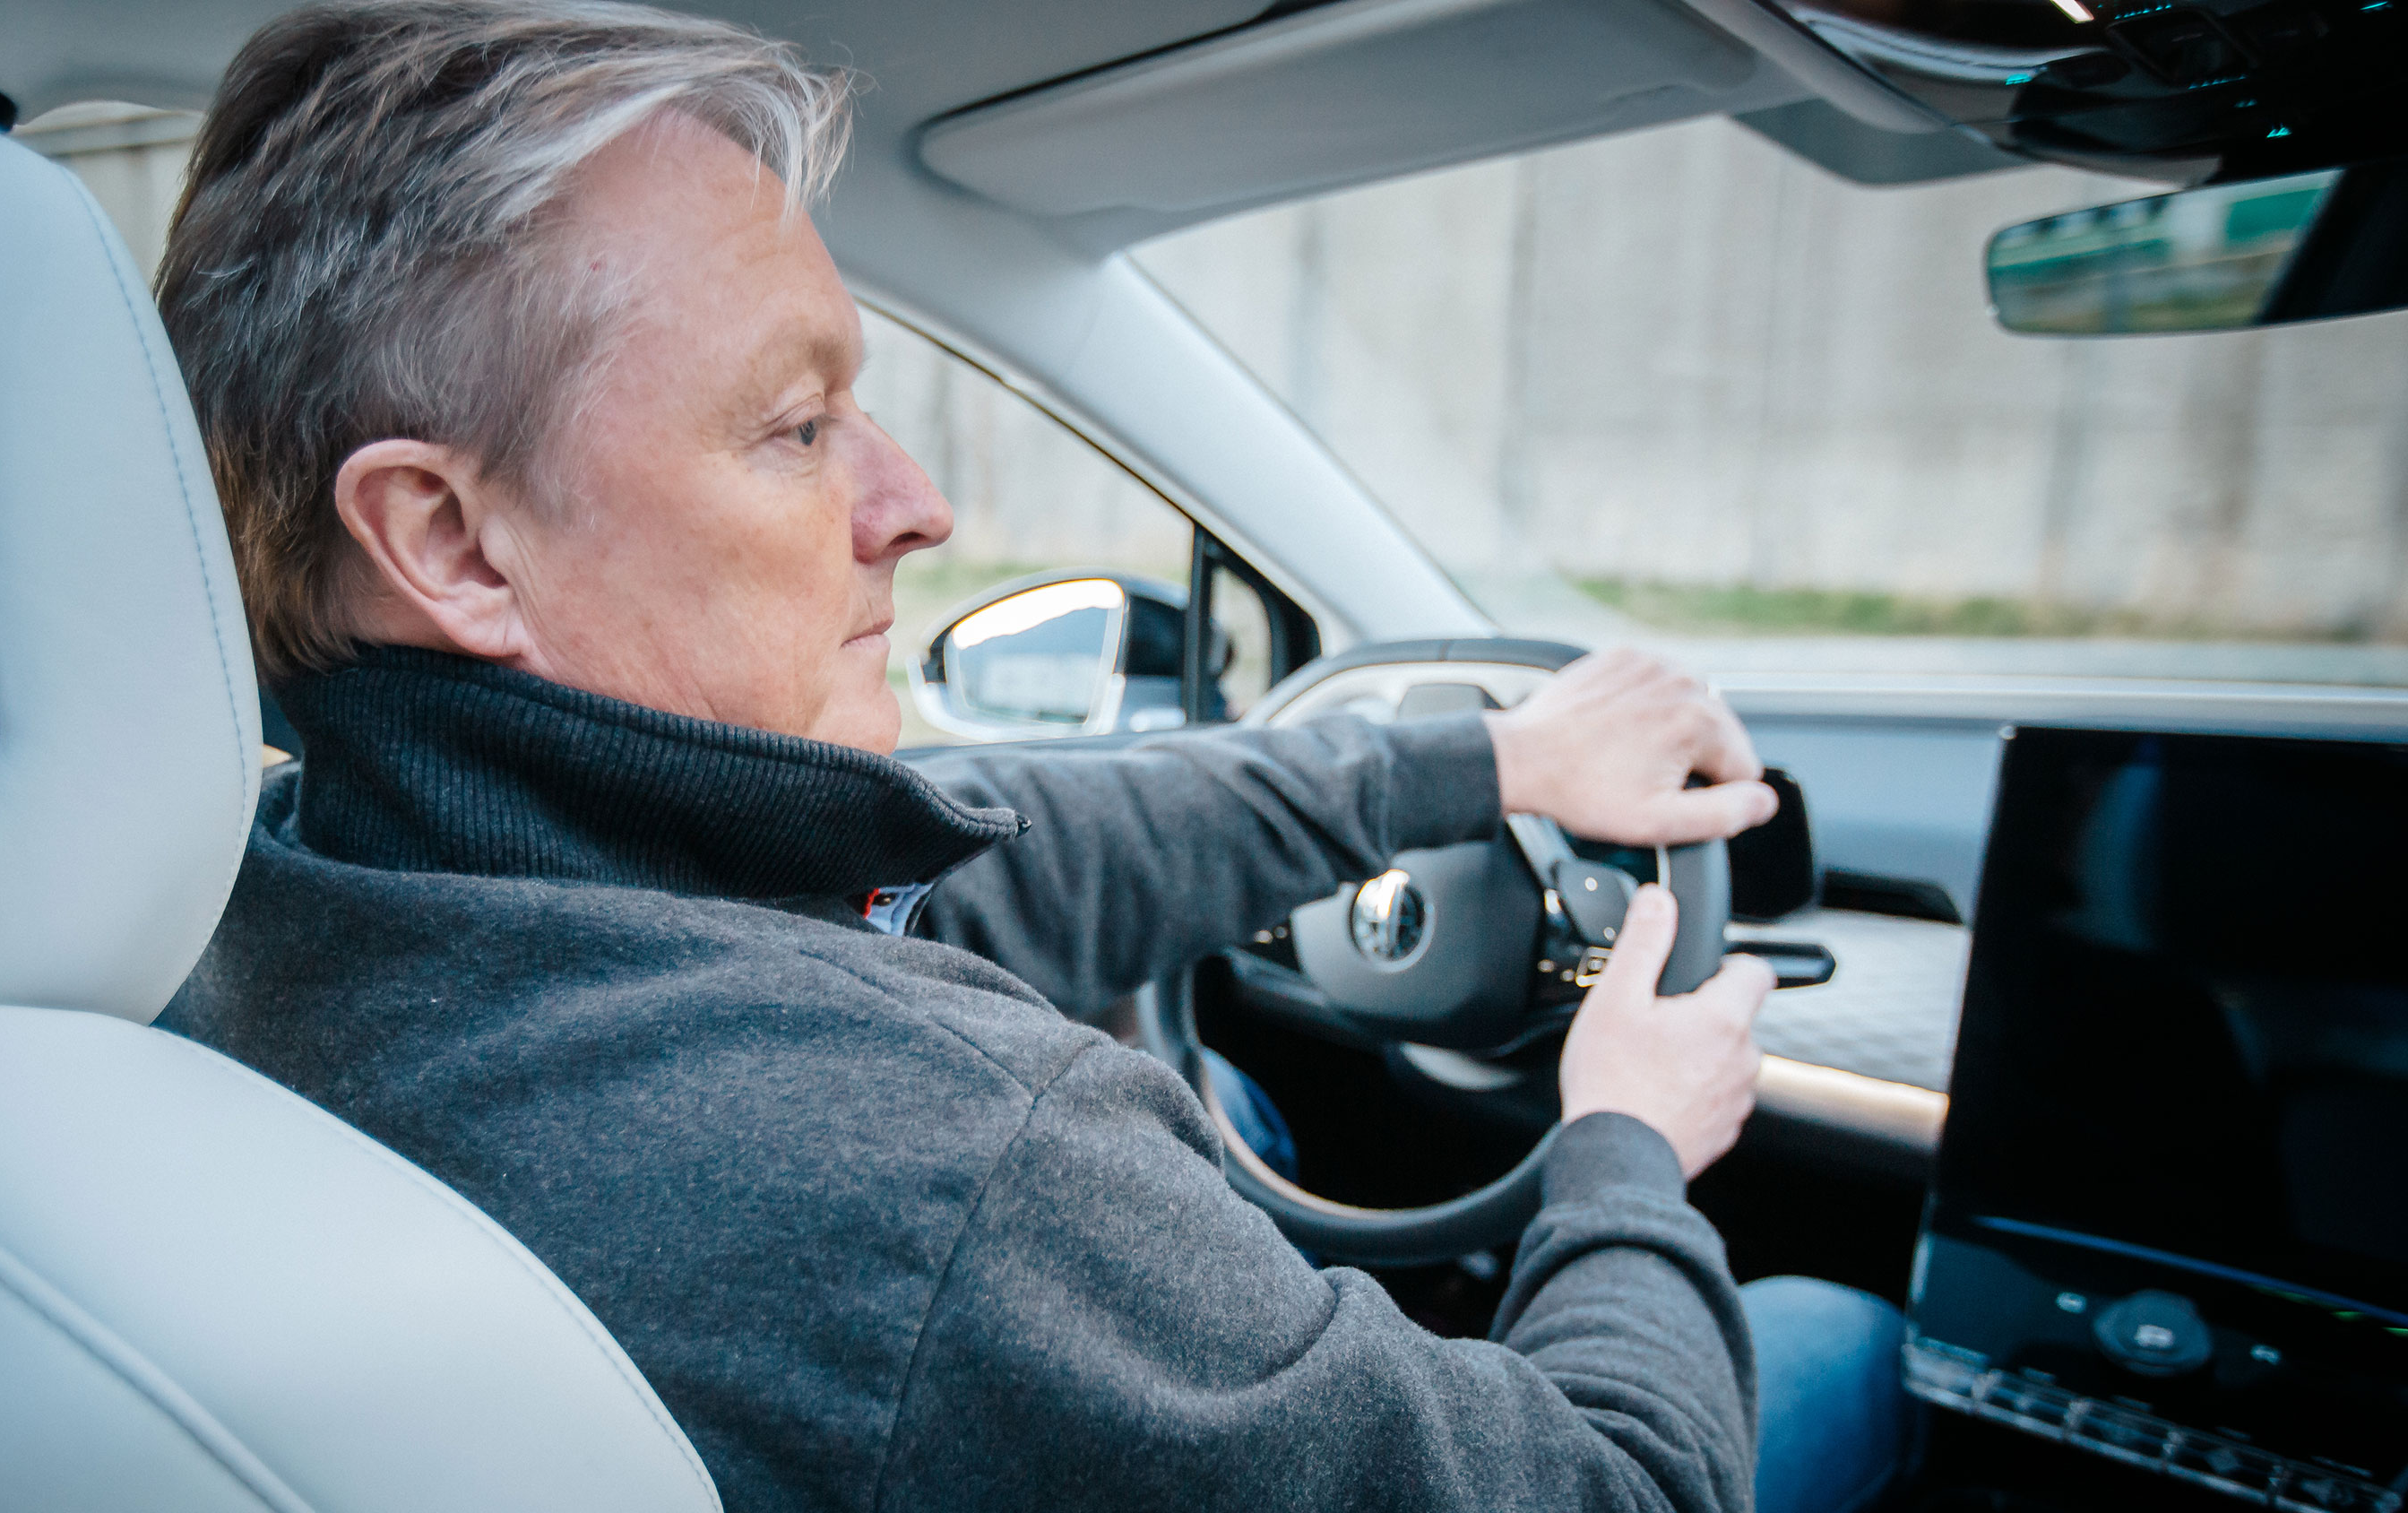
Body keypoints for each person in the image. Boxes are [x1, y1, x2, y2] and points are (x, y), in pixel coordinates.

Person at [155, 4, 1912, 1510]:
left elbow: (994, 859)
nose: (915, 504)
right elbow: (1611, 1484)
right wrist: (1621, 1149)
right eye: (795, 427)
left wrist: (1486, 762)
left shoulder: (268, 902)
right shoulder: (948, 1168)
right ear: (453, 545)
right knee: (1838, 1334)